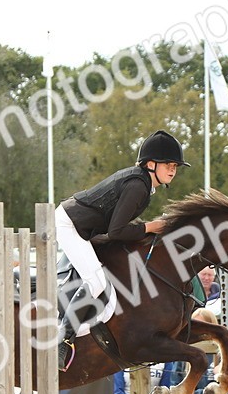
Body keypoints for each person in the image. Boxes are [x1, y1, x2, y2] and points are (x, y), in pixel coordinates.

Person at [54, 129, 187, 371]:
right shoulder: (138, 185)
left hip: (85, 227)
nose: (173, 170)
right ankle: (62, 341)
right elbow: (116, 231)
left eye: (175, 166)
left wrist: (148, 228)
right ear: (150, 164)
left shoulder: (143, 184)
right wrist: (150, 227)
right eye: (168, 164)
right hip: (71, 225)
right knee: (96, 282)